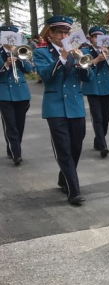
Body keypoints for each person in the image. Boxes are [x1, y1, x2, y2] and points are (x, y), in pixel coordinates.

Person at [34, 16, 93, 204]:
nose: (63, 35)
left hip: (76, 107)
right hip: (55, 107)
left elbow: (87, 77)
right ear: (50, 34)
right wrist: (64, 56)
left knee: (76, 147)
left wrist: (84, 64)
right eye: (59, 32)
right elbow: (46, 76)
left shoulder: (79, 51)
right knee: (64, 150)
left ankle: (63, 178)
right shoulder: (42, 52)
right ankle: (73, 190)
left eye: (66, 32)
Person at [81, 26, 109, 158]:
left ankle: (98, 140)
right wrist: (96, 60)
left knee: (106, 118)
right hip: (93, 88)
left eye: (100, 37)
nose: (98, 40)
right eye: (95, 37)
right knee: (98, 118)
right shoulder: (85, 51)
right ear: (91, 39)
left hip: (107, 87)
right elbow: (83, 68)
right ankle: (103, 145)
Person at [0, 24, 31, 165]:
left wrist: (21, 57)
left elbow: (29, 70)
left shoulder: (20, 50)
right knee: (10, 125)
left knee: (20, 124)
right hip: (4, 94)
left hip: (21, 93)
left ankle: (13, 146)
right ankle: (16, 153)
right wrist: (6, 64)